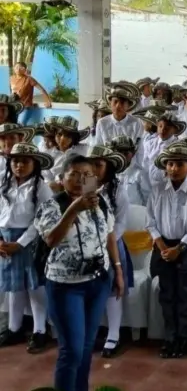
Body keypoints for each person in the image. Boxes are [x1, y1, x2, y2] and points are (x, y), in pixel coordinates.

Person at [34, 153, 124, 391]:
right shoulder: (51, 206)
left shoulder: (101, 202)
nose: (80, 180)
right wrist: (74, 208)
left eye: (87, 176)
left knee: (85, 348)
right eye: (74, 175)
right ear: (62, 179)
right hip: (66, 285)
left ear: (95, 180)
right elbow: (51, 239)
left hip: (98, 282)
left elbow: (110, 236)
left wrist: (118, 270)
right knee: (71, 350)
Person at [146, 145, 187, 359]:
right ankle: (170, 338)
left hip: (185, 248)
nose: (174, 168)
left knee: (184, 293)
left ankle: (184, 339)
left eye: (180, 164)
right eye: (170, 164)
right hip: (162, 247)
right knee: (167, 294)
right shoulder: (157, 190)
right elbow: (150, 222)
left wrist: (178, 249)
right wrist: (162, 247)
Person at [0, 143, 54, 352]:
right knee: (15, 287)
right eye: (15, 161)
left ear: (35, 163)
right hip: (6, 240)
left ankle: (40, 330)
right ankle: (14, 328)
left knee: (35, 287)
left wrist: (20, 243)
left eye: (25, 161)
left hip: (30, 241)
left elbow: (42, 220)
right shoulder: (4, 184)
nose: (19, 165)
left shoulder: (41, 187)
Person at [84, 145, 133, 358]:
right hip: (88, 245)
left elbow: (122, 221)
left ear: (109, 167)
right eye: (91, 164)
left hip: (112, 245)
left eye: (99, 165)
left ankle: (114, 334)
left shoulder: (119, 188)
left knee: (114, 290)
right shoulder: (87, 185)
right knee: (90, 289)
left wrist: (107, 240)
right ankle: (94, 331)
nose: (94, 169)